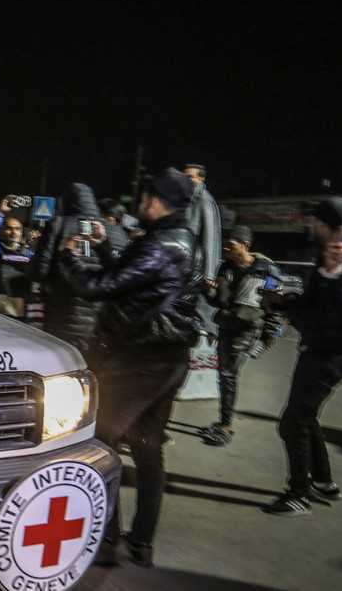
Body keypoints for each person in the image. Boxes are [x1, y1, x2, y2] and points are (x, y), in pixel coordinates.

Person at [58, 168, 204, 567]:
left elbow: (99, 286)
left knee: (101, 445)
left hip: (140, 360)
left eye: (144, 198)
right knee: (147, 448)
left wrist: (69, 256)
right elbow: (135, 277)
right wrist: (106, 248)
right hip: (169, 359)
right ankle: (141, 542)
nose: (140, 205)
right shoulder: (183, 239)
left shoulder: (158, 244)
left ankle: (104, 542)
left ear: (156, 200)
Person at [261, 197, 342, 516]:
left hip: (327, 354)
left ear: (324, 224)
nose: (310, 226)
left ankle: (299, 494)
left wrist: (283, 304)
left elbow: (332, 313)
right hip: (332, 352)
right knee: (305, 418)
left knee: (292, 424)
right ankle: (324, 481)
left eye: (314, 222)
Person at [198, 225, 283, 446]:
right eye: (225, 243)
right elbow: (218, 301)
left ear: (246, 245)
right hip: (226, 325)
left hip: (246, 330)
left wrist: (270, 330)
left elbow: (274, 303)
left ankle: (225, 426)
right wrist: (209, 290)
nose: (225, 247)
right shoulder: (225, 268)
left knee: (227, 374)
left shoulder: (266, 269)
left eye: (231, 244)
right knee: (225, 374)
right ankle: (223, 421)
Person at [28, 183, 127, 358]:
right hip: (101, 320)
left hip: (62, 316)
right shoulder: (118, 233)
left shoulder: (59, 224)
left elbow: (38, 272)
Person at [183, 163, 222, 290]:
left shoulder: (203, 198)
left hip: (194, 266)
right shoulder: (187, 198)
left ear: (201, 179)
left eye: (190, 176)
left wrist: (208, 273)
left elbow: (210, 236)